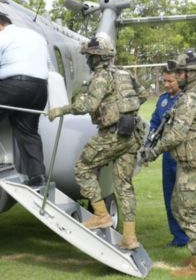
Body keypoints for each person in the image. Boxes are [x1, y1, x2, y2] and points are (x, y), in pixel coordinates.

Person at [48, 35, 147, 250]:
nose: (87, 61)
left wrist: (60, 110)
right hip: (131, 133)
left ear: (97, 57)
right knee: (124, 186)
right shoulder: (125, 73)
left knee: (83, 168)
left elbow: (88, 105)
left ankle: (101, 215)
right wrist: (122, 107)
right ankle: (129, 237)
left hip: (112, 134)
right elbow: (143, 95)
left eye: (89, 57)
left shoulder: (101, 77)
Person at [140, 49, 196, 277]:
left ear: (194, 73)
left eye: (182, 72)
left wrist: (152, 152)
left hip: (193, 162)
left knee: (189, 210)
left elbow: (176, 135)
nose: (178, 75)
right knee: (180, 206)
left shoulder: (191, 98)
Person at [151, 68, 196, 249]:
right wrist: (150, 144)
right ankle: (180, 237)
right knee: (170, 198)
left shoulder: (189, 98)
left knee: (190, 198)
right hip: (168, 153)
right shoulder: (163, 100)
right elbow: (155, 123)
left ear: (180, 79)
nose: (166, 85)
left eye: (170, 81)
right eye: (164, 81)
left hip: (187, 154)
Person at [0, 13, 50, 186]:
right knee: (29, 132)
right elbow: (47, 65)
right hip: (40, 89)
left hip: (14, 86)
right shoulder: (37, 37)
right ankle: (37, 176)